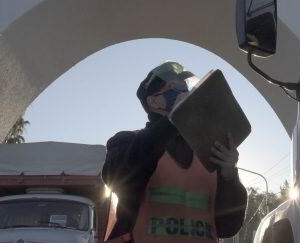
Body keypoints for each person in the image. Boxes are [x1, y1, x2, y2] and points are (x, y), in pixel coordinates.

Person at [101, 61, 247, 242]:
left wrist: (230, 176)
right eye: (175, 87)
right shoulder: (126, 141)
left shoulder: (209, 150)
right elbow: (118, 177)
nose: (184, 91)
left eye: (185, 87)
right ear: (153, 101)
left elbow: (228, 227)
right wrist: (171, 121)